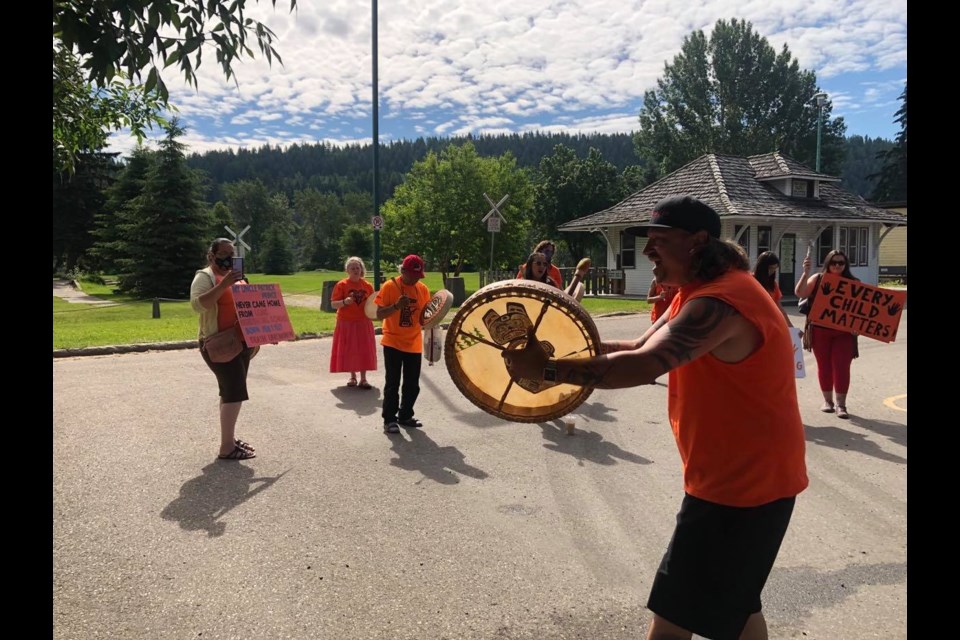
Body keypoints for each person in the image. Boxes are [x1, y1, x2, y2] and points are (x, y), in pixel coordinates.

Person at [503, 196, 808, 640]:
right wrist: (557, 351)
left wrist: (546, 370)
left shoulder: (722, 303)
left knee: (671, 620)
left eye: (659, 242)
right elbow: (636, 346)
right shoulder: (696, 292)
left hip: (741, 490)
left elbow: (643, 367)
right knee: (738, 609)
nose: (647, 252)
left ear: (697, 242)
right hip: (743, 481)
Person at [190, 238, 258, 461]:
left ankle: (228, 438)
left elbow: (251, 307)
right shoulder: (205, 277)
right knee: (235, 392)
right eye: (224, 253)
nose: (229, 257)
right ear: (212, 255)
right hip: (218, 343)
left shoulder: (239, 278)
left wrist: (266, 332)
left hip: (240, 343)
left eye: (232, 253)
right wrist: (224, 284)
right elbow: (198, 305)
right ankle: (226, 447)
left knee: (229, 392)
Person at [795, 248, 859, 419]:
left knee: (841, 367)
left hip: (844, 333)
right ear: (827, 263)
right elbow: (800, 293)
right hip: (819, 331)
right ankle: (828, 401)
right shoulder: (817, 278)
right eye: (834, 262)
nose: (837, 265)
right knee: (824, 366)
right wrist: (806, 272)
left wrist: (858, 328)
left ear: (846, 265)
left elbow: (862, 312)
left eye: (841, 262)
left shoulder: (854, 283)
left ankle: (841, 405)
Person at [374, 254, 432, 434]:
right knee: (392, 382)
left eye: (418, 276)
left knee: (412, 383)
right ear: (404, 271)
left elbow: (426, 316)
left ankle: (405, 415)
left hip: (413, 342)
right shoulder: (390, 287)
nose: (416, 279)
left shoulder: (423, 289)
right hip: (392, 341)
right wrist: (396, 307)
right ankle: (389, 419)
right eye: (413, 275)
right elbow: (378, 314)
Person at [329, 256, 377, 389]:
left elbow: (373, 303)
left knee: (364, 350)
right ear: (347, 270)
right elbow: (333, 304)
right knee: (349, 349)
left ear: (361, 269)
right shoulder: (342, 285)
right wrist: (344, 302)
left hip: (364, 322)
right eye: (352, 268)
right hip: (346, 322)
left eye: (358, 267)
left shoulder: (367, 285)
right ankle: (353, 377)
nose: (355, 270)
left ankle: (364, 379)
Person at [752, 251, 794, 327]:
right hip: (752, 325)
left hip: (769, 325)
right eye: (770, 268)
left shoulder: (773, 284)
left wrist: (791, 326)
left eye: (775, 269)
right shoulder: (750, 281)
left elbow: (780, 308)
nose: (772, 271)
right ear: (762, 267)